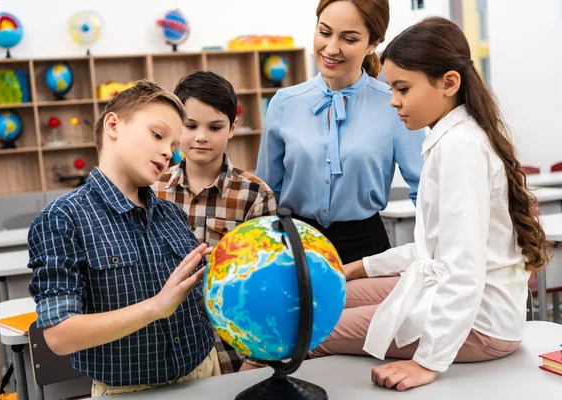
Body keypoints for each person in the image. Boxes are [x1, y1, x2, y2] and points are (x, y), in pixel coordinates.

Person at [309, 17, 549, 392]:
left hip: (482, 324)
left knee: (309, 326)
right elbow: (431, 251)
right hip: (455, 298)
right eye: (391, 88)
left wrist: (427, 362)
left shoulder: (461, 147)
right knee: (325, 296)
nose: (394, 101)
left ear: (449, 83)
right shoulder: (450, 136)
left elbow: (462, 270)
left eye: (402, 88)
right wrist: (359, 268)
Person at [27, 80, 220, 397]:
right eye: (158, 135)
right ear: (113, 125)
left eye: (173, 147)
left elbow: (196, 302)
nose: (167, 154)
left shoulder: (171, 214)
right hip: (127, 391)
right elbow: (59, 334)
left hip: (205, 373)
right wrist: (155, 308)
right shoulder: (62, 218)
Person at [255, 0, 425, 267]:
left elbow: (426, 190)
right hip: (293, 248)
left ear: (373, 43)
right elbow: (265, 194)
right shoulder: (284, 103)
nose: (331, 48)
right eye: (324, 32)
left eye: (349, 38)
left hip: (366, 250)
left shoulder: (393, 105)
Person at [155, 71, 277, 374]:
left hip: (231, 353)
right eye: (190, 125)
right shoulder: (152, 188)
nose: (200, 136)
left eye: (215, 127)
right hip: (162, 348)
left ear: (232, 128)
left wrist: (257, 359)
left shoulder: (255, 195)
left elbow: (267, 285)